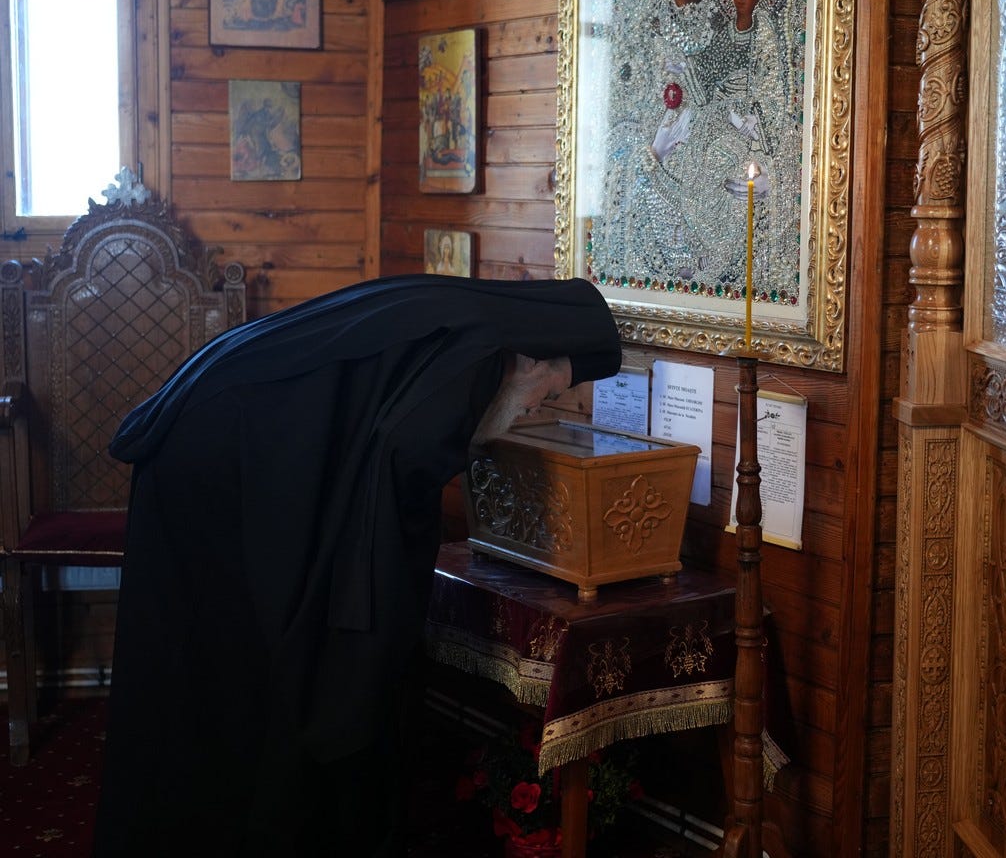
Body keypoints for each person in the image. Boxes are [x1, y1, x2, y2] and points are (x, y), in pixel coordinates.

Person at [93, 275, 621, 857]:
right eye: (548, 391)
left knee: (210, 655)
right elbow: (393, 502)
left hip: (209, 429)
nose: (533, 408)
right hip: (215, 454)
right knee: (222, 660)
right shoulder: (474, 362)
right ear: (533, 358)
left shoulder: (462, 316)